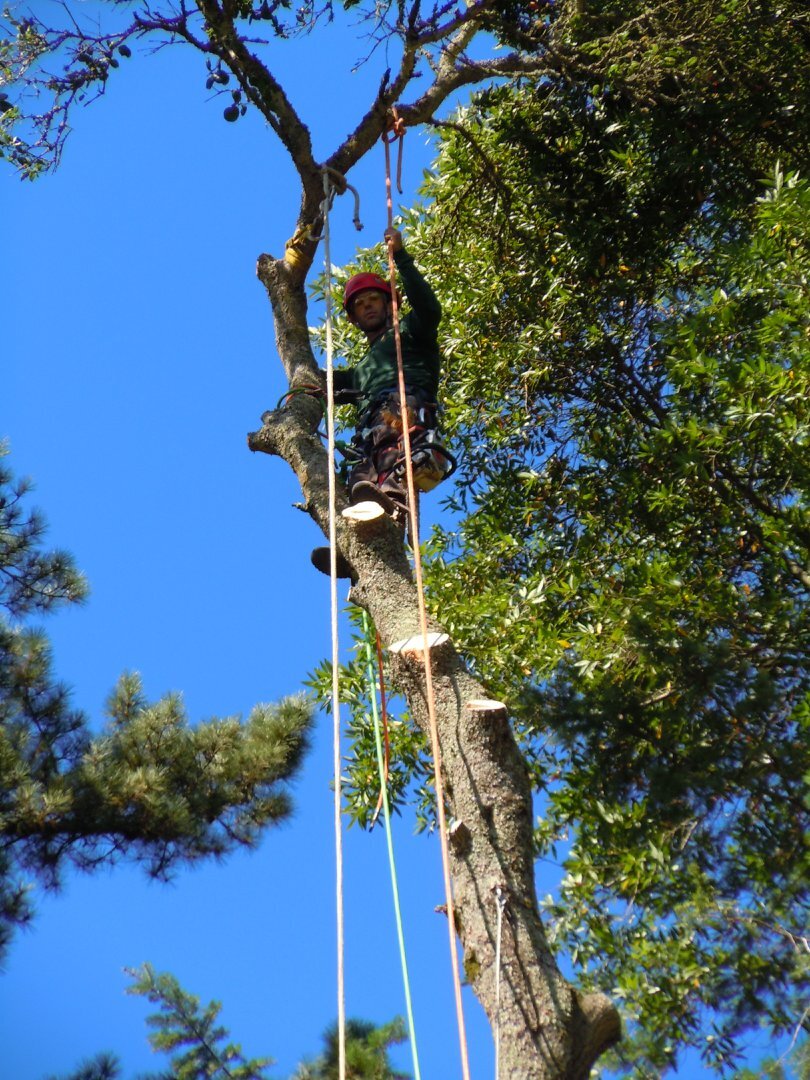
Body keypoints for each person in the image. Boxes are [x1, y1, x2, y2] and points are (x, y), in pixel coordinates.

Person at [311, 228, 451, 579]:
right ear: (354, 319)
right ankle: (357, 554)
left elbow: (430, 309)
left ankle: (392, 518)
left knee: (392, 469)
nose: (366, 306)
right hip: (370, 428)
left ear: (389, 303)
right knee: (358, 483)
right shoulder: (362, 370)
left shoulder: (410, 333)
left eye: (373, 299)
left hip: (403, 410)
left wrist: (401, 258)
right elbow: (333, 381)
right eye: (359, 304)